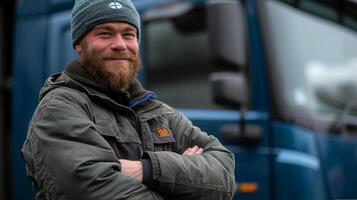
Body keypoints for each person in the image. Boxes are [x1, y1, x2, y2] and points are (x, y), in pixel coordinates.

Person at [21, 0, 235, 199]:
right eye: (105, 34)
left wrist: (147, 169)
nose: (120, 44)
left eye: (129, 34)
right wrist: (184, 181)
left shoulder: (157, 113)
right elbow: (94, 190)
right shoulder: (60, 108)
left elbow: (224, 176)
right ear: (79, 44)